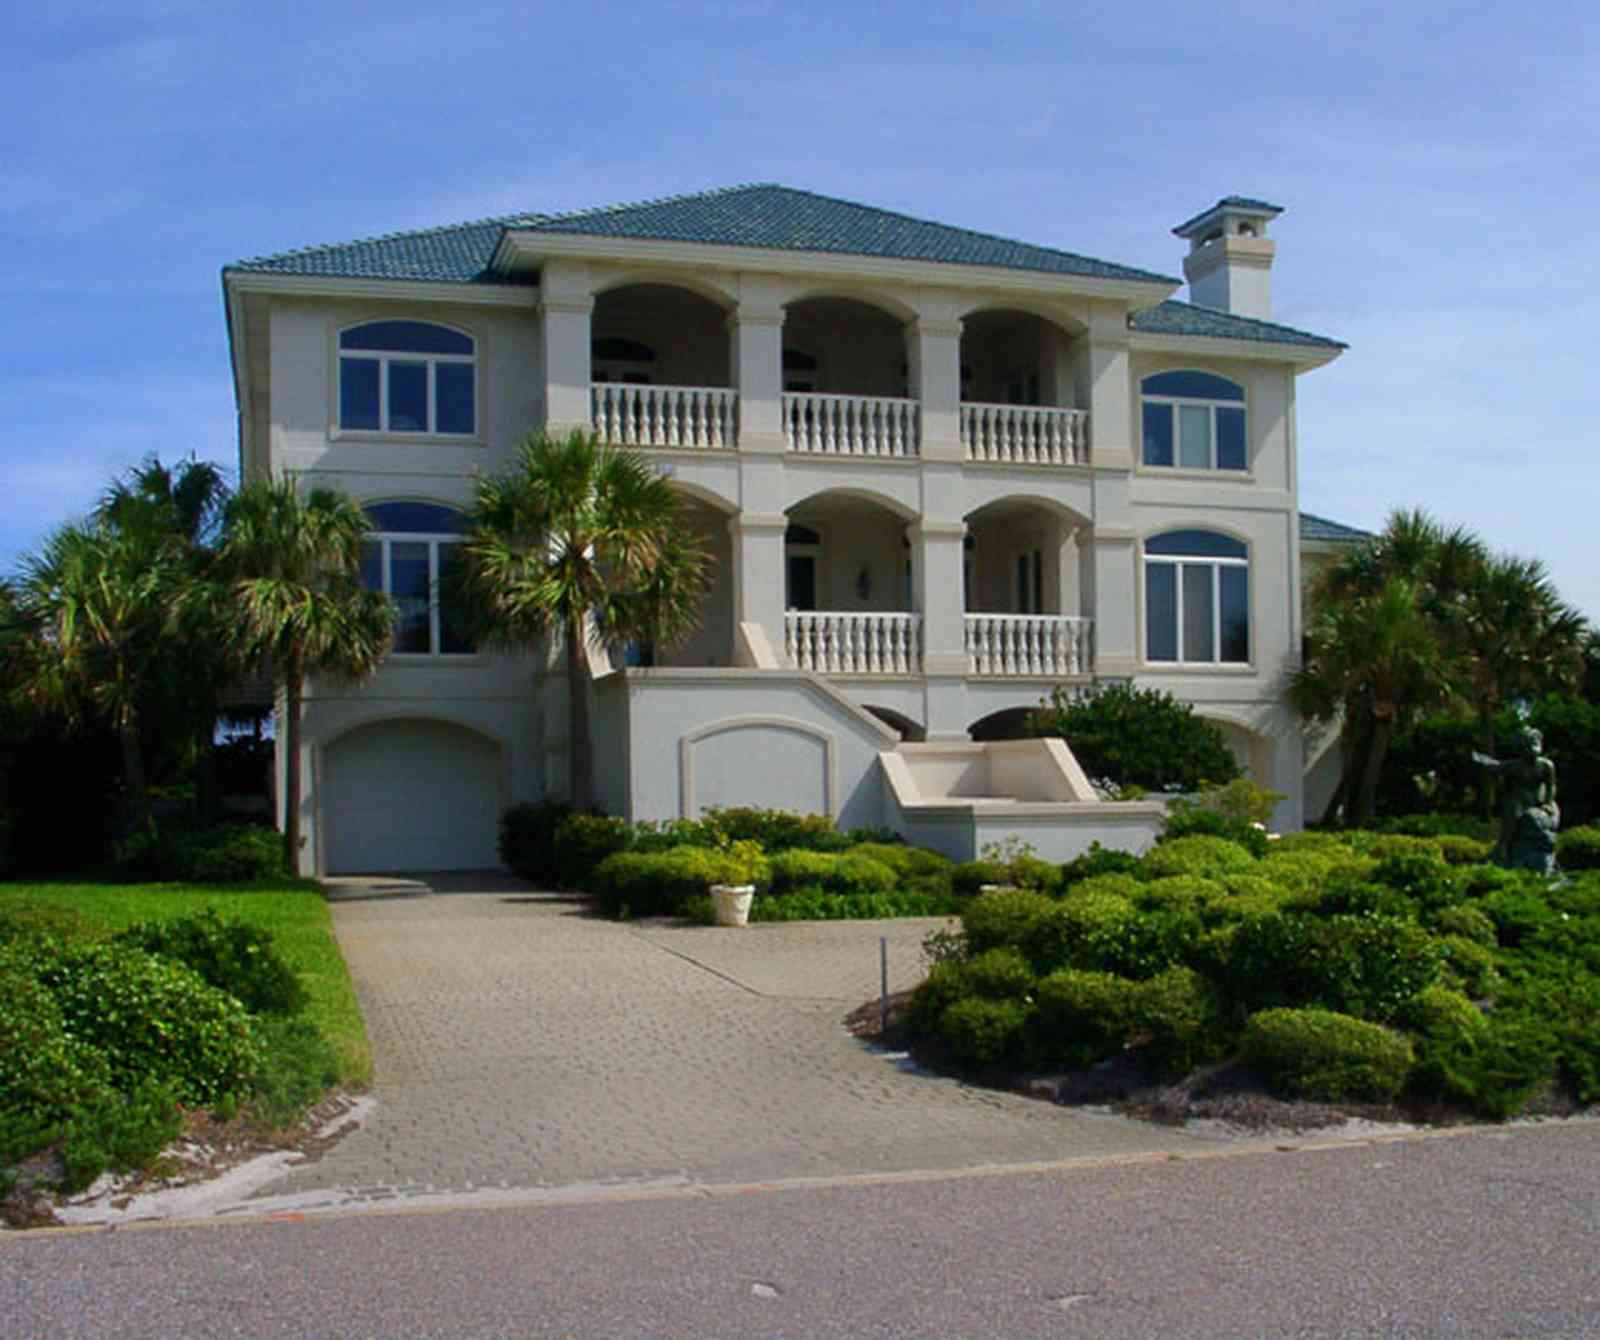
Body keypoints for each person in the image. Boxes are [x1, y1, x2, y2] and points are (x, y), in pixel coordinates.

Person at [1472, 724, 1560, 875]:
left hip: (1540, 801)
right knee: (1512, 806)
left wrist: (1547, 804)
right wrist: (1481, 760)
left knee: (1522, 808)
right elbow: (1497, 766)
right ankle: (1504, 846)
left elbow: (1551, 787)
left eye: (1534, 744)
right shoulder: (1515, 766)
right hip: (1520, 801)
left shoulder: (1546, 765)